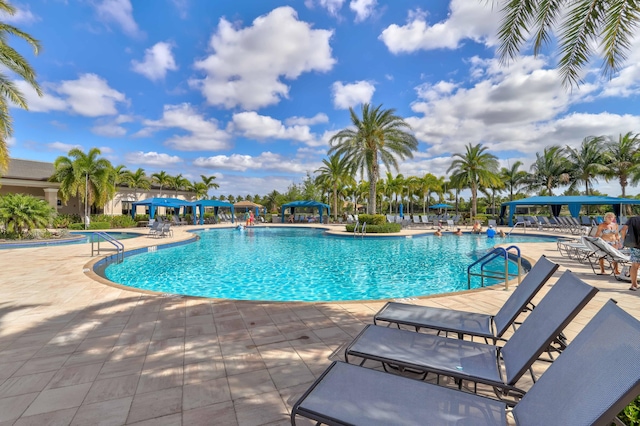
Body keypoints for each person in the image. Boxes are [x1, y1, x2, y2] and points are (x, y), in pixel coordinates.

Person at [621, 215, 640, 291]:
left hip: (634, 245)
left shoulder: (633, 219)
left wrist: (624, 240)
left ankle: (634, 284)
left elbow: (623, 230)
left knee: (635, 265)